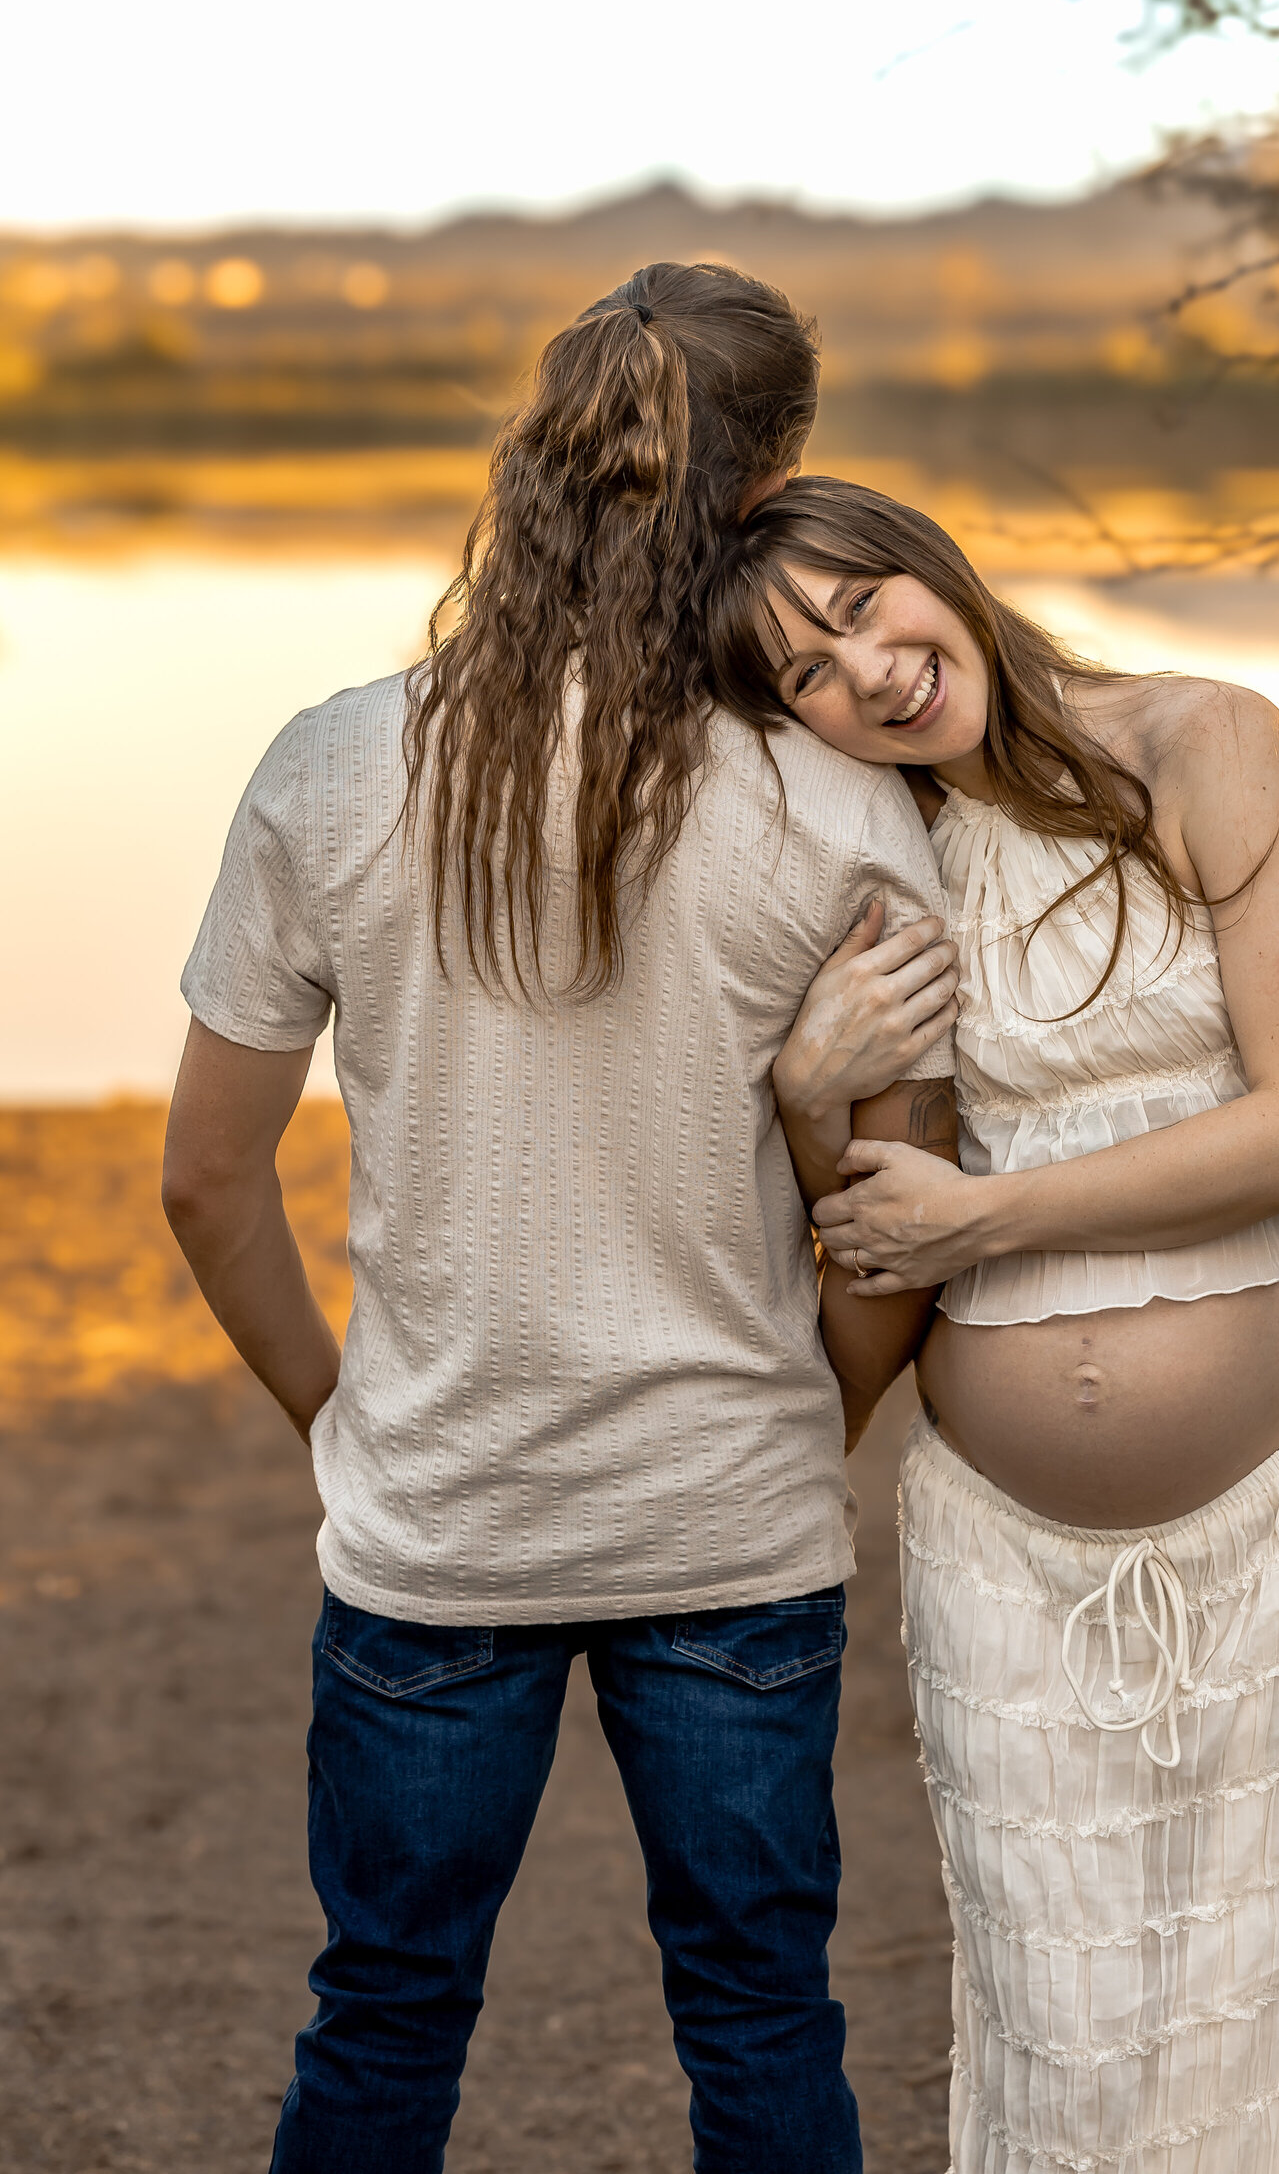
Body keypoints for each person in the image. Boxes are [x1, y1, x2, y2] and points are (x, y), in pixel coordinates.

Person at [160, 268, 963, 2174]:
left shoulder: (332, 765)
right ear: (763, 494)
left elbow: (206, 1180)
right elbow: (905, 1230)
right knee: (764, 2018)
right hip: (736, 1525)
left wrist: (338, 1421)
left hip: (440, 1527)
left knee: (384, 2014)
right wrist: (795, 1429)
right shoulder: (839, 804)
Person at [709, 475, 1279, 2174]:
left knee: (1253, 2026)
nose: (868, 671)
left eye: (864, 606)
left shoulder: (1206, 743)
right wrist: (818, 1104)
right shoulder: (874, 866)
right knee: (1056, 2037)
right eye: (808, 674)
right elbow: (888, 1219)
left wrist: (994, 1219)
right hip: (1001, 1553)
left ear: (934, 569)